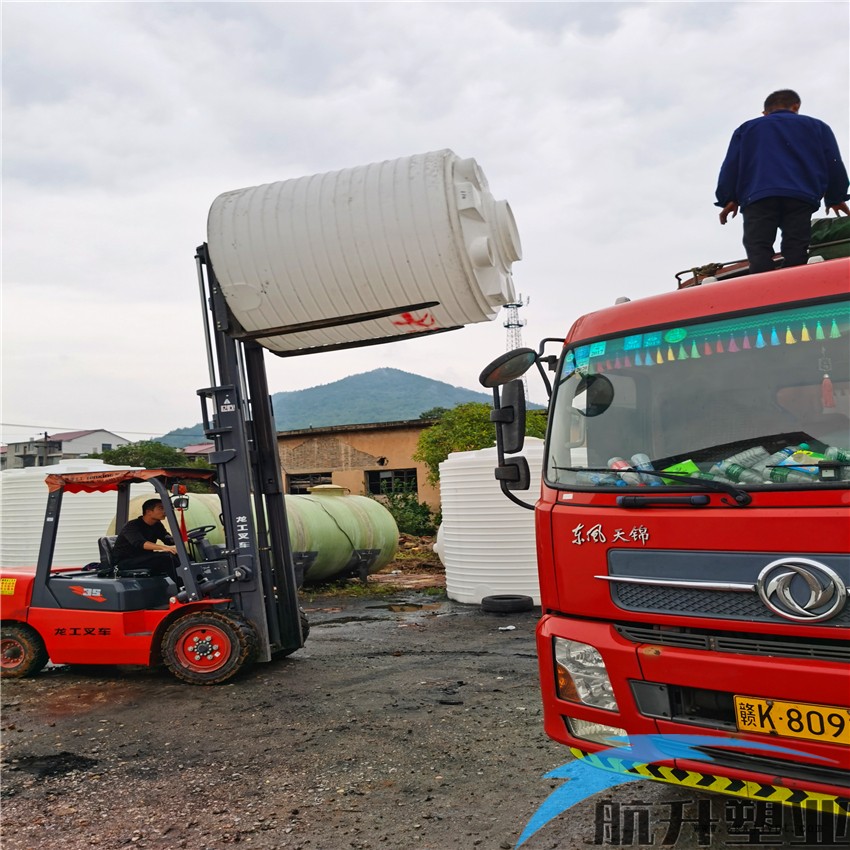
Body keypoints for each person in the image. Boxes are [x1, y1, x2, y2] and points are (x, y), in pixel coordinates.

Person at [715, 89, 850, 274]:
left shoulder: (747, 129)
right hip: (800, 197)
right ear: (796, 106)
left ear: (765, 113)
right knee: (796, 247)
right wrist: (836, 197)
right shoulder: (817, 127)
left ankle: (762, 289)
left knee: (758, 248)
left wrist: (729, 198)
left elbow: (731, 165)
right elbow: (833, 163)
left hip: (758, 197)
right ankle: (794, 286)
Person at [112, 498, 181, 583]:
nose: (164, 511)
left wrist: (180, 538)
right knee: (167, 558)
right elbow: (140, 543)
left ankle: (197, 584)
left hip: (144, 558)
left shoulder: (157, 525)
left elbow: (166, 539)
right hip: (126, 561)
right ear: (148, 512)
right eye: (161, 508)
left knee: (183, 556)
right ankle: (183, 587)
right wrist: (164, 548)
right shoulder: (132, 526)